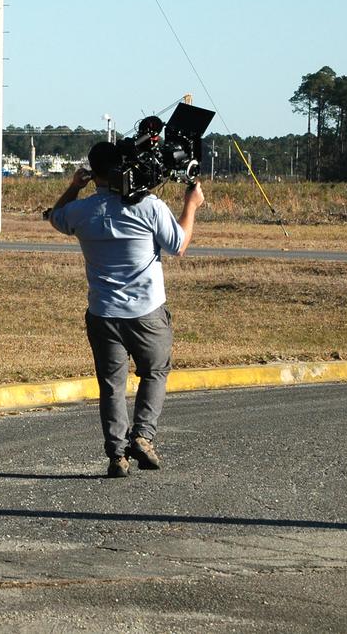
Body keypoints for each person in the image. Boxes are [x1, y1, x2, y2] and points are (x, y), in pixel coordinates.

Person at [48, 142, 204, 478]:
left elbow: (56, 217)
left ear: (94, 172)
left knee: (112, 385)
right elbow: (179, 245)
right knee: (155, 371)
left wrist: (75, 185)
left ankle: (117, 455)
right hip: (147, 312)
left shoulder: (82, 211)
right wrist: (191, 206)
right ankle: (144, 437)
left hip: (103, 313)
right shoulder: (149, 206)